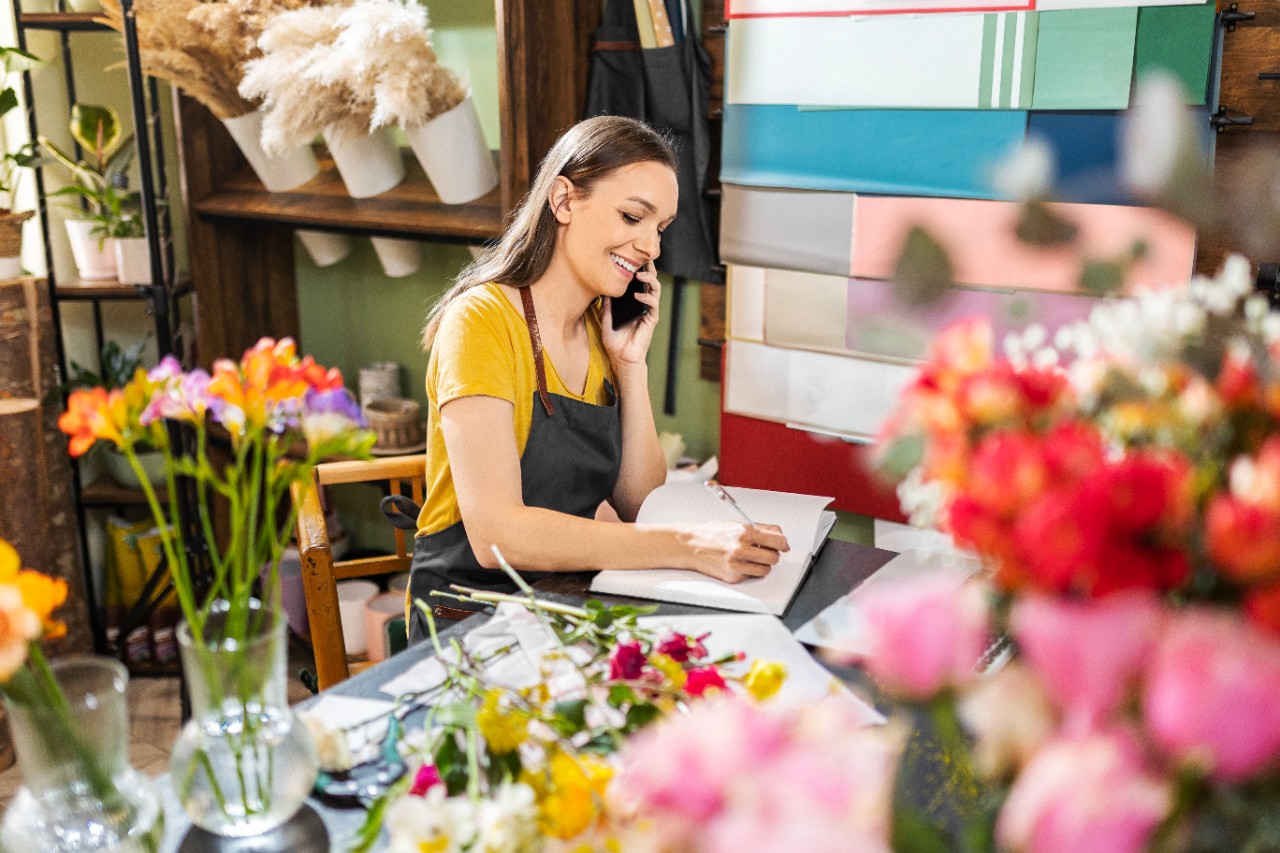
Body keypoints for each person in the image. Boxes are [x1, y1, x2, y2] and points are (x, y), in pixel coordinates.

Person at [402, 115, 788, 642]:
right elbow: (499, 536)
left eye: (660, 228)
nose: (650, 246)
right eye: (633, 216)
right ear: (563, 200)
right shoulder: (480, 322)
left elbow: (640, 504)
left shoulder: (601, 329)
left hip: (566, 602)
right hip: (469, 620)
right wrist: (690, 545)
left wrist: (631, 367)